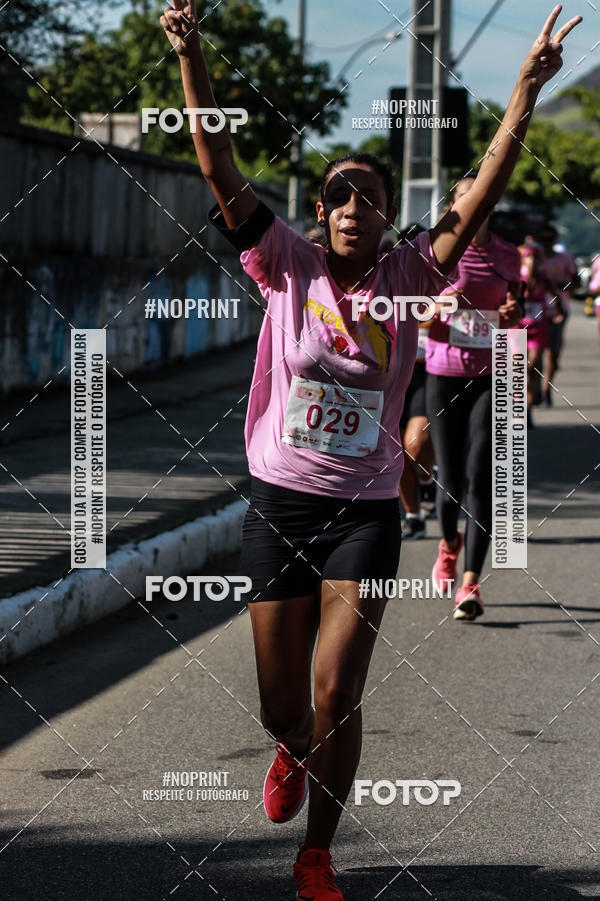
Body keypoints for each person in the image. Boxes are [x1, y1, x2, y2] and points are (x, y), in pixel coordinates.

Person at [159, 4, 580, 897]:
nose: (356, 210)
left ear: (391, 216)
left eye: (372, 199)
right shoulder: (283, 261)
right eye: (341, 197)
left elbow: (481, 193)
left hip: (365, 514)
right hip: (281, 503)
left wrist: (523, 91)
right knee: (286, 705)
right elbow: (216, 161)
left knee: (339, 691)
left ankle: (317, 855)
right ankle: (288, 747)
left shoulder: (412, 274)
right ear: (320, 213)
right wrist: (191, 56)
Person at [426, 179, 524, 620]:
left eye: (481, 196)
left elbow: (514, 311)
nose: (473, 203)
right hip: (443, 373)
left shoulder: (507, 255)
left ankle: (470, 585)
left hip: (491, 373)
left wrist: (512, 316)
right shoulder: (436, 251)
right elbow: (410, 311)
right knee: (449, 483)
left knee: (481, 477)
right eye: (463, 197)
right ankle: (449, 543)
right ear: (452, 205)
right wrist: (434, 308)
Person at [396, 223, 436, 539]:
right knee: (395, 451)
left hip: (428, 373)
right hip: (393, 373)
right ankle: (413, 516)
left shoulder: (443, 282)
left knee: (417, 445)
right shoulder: (387, 280)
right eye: (406, 247)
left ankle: (427, 480)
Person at [538, 223, 579, 404]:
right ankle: (534, 388)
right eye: (543, 239)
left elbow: (576, 283)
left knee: (552, 352)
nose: (546, 242)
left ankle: (547, 388)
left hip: (558, 311)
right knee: (534, 354)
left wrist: (562, 286)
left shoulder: (565, 258)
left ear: (555, 240)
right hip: (536, 312)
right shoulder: (533, 258)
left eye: (550, 239)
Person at [519, 243, 551, 423]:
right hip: (517, 327)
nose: (532, 260)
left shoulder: (544, 279)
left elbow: (556, 295)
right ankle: (519, 407)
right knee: (519, 368)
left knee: (532, 366)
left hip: (537, 328)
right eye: (528, 257)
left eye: (535, 257)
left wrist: (559, 312)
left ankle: (528, 406)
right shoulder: (516, 277)